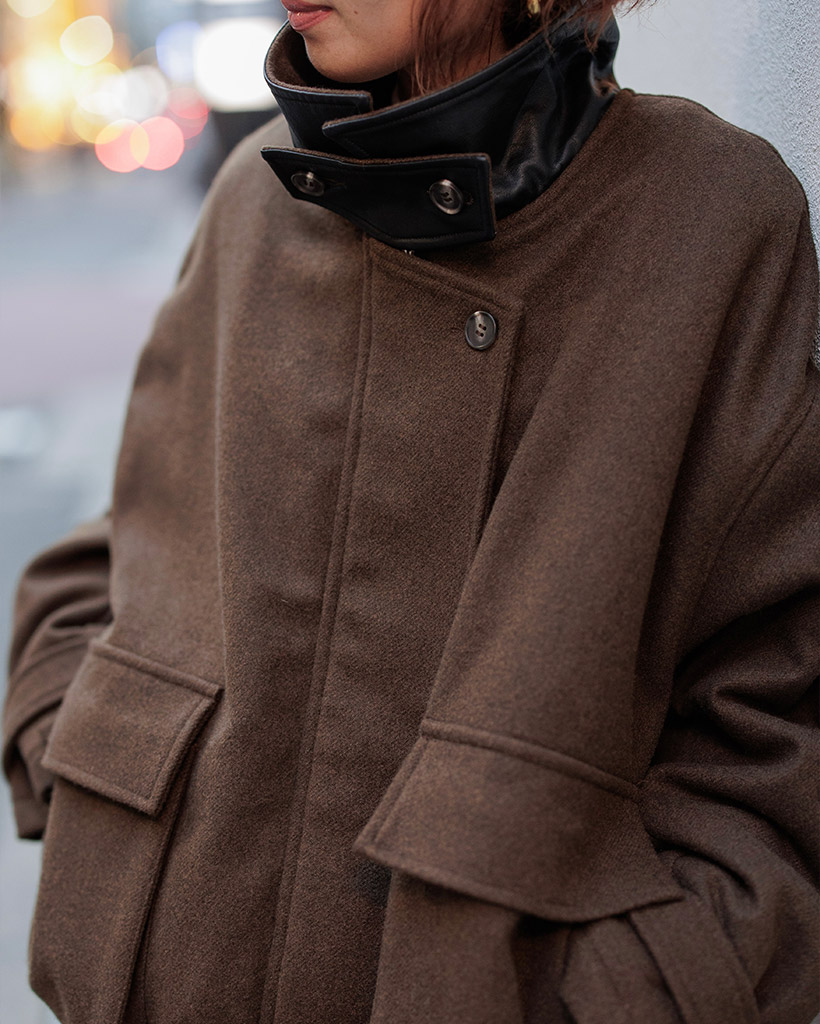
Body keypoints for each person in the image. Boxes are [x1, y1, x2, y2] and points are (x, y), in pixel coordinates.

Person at [3, 0, 819, 1021]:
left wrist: (621, 991)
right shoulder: (255, 196)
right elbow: (118, 555)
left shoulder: (704, 216)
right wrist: (95, 811)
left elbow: (773, 721)